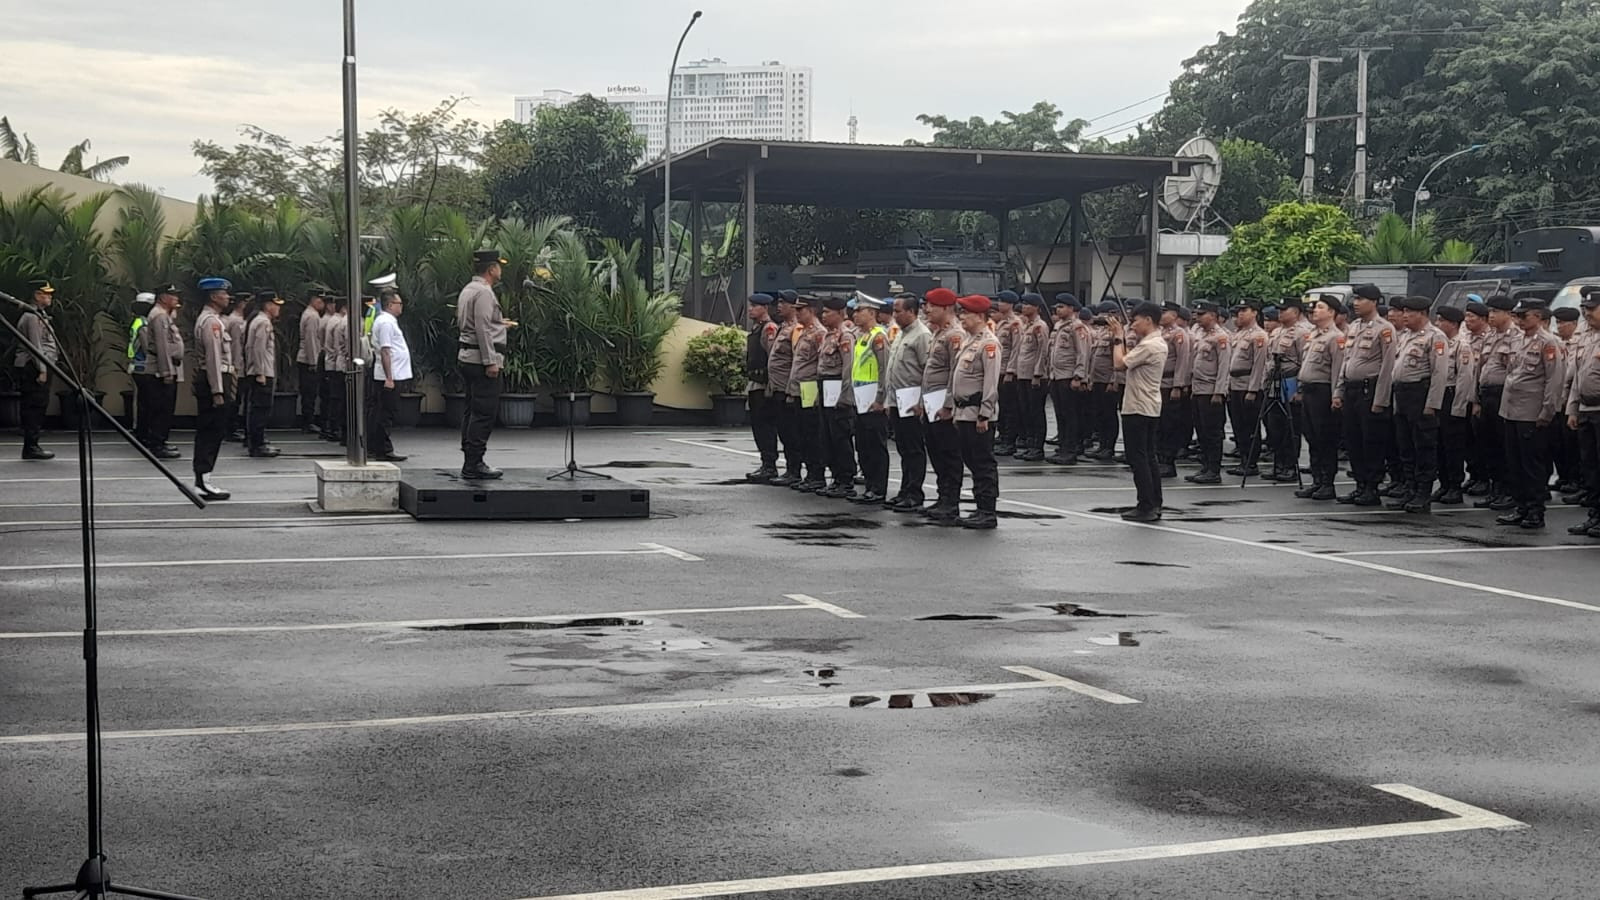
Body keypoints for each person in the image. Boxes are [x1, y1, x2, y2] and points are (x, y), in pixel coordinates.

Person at [1496, 299, 1566, 529]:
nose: (1519, 320)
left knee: (1531, 465)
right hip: (1511, 411)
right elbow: (1511, 373)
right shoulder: (1517, 339)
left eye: (1523, 316)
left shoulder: (1548, 343)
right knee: (1513, 463)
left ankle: (1535, 511)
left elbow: (1554, 380)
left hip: (1531, 413)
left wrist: (1547, 412)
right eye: (1517, 316)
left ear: (1537, 316)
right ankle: (1521, 506)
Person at [1385, 296, 1450, 513]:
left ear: (1422, 313)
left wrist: (1432, 404)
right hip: (1403, 395)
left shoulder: (1435, 337)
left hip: (1420, 395)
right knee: (1405, 447)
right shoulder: (1405, 336)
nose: (1404, 316)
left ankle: (1423, 493)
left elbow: (1439, 373)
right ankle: (1410, 489)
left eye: (1408, 312)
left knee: (1423, 447)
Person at [1333, 284, 1396, 506]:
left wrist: (1381, 400)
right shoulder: (1354, 327)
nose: (1355, 303)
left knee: (1372, 440)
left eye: (1361, 299)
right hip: (1351, 389)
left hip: (1370, 390)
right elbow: (1346, 361)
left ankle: (1372, 487)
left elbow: (1388, 367)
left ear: (1374, 301)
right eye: (1355, 299)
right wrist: (1339, 390)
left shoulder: (1385, 328)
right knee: (1353, 439)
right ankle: (1360, 484)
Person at [1109, 302, 1170, 522]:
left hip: (1138, 405)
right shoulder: (1153, 342)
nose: (1132, 325)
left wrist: (1117, 337)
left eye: (1135, 320)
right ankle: (1154, 502)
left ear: (1148, 320)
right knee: (1148, 455)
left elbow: (1119, 363)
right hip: (1148, 404)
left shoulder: (1151, 345)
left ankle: (1146, 504)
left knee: (1139, 457)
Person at [948, 294, 1003, 530]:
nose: (962, 318)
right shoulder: (970, 341)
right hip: (963, 412)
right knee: (971, 460)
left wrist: (985, 414)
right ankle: (980, 507)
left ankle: (987, 511)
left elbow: (990, 383)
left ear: (980, 316)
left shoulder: (989, 343)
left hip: (978, 414)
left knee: (983, 463)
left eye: (966, 313)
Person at [457, 249, 509, 479]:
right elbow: (482, 328)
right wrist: (491, 361)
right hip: (481, 359)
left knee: (472, 410)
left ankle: (470, 457)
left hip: (467, 356)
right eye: (499, 265)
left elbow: (479, 324)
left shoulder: (469, 289)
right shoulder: (485, 293)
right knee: (484, 413)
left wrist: (500, 325)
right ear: (491, 269)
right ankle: (474, 463)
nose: (501, 269)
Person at [1294, 295, 1346, 500]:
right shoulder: (1313, 335)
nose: (1315, 310)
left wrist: (1337, 395)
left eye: (1320, 307)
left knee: (1325, 439)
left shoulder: (1335, 337)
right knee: (1312, 437)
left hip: (1323, 393)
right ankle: (1316, 480)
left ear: (1331, 312)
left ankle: (1327, 483)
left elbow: (1337, 369)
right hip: (1308, 391)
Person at [1472, 294, 1520, 510]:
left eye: (1495, 312)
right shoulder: (1490, 337)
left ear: (1508, 314)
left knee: (1505, 446)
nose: (1490, 316)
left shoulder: (1516, 337)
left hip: (1504, 395)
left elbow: (1514, 373)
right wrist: (1477, 400)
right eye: (1489, 311)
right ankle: (1496, 489)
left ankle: (1510, 491)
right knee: (1489, 445)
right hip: (1487, 395)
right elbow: (1480, 369)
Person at [920, 288, 965, 521]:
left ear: (947, 308)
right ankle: (942, 496)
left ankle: (951, 501)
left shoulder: (954, 335)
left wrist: (948, 404)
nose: (927, 310)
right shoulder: (937, 333)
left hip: (942, 404)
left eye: (932, 306)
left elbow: (954, 373)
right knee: (935, 451)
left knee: (949, 452)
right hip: (930, 401)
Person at [885, 292, 932, 511]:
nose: (894, 315)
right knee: (903, 447)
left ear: (912, 312)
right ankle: (905, 489)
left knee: (914, 448)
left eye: (898, 310)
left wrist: (923, 401)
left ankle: (915, 492)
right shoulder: (901, 334)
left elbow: (927, 370)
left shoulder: (921, 335)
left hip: (912, 398)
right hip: (897, 398)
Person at [191, 277, 236, 500]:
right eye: (224, 293)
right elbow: (213, 359)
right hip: (213, 380)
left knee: (213, 431)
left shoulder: (215, 320)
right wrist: (217, 390)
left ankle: (204, 478)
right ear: (213, 296)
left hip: (215, 378)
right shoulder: (211, 322)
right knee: (211, 431)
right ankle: (203, 480)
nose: (227, 297)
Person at [848, 295, 891, 503]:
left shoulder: (878, 336)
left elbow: (884, 370)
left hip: (873, 397)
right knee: (863, 444)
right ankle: (869, 485)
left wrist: (881, 398)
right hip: (860, 396)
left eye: (859, 311)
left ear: (872, 313)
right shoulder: (860, 335)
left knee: (875, 445)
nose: (855, 315)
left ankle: (878, 488)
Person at [1564, 287, 1600, 537]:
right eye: (1585, 310)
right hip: (1587, 409)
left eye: (1592, 309)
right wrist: (1573, 410)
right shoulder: (1587, 337)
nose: (1587, 314)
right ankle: (1595, 515)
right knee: (1591, 467)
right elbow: (1577, 377)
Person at [1432, 305, 1476, 506]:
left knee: (1453, 445)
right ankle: (1444, 483)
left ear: (1453, 324)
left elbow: (1464, 378)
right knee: (1439, 444)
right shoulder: (1440, 343)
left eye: (1442, 321)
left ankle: (1455, 486)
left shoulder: (1462, 345)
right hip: (1439, 396)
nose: (1438, 324)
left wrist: (1459, 407)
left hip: (1452, 396)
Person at [1263, 298, 1310, 482]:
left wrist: (1299, 389)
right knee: (1275, 425)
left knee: (1291, 426)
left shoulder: (1302, 333)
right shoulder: (1276, 332)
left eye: (1285, 309)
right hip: (1274, 381)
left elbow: (1303, 362)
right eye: (1279, 310)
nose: (1281, 313)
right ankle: (1278, 464)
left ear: (1297, 312)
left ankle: (1290, 465)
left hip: (1290, 381)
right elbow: (1268, 359)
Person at [12, 279, 59, 459]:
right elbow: (35, 345)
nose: (49, 297)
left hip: (39, 365)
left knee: (38, 406)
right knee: (34, 406)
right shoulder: (31, 316)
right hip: (33, 367)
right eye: (46, 294)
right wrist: (42, 369)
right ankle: (31, 447)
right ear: (37, 295)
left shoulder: (40, 315)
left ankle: (33, 444)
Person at [787, 296, 829, 492]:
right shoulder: (804, 333)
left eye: (801, 310)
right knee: (801, 432)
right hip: (799, 387)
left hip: (810, 387)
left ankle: (816, 474)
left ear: (811, 310)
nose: (797, 313)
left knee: (812, 432)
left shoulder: (819, 333)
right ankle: (809, 473)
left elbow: (821, 364)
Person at [816, 296, 857, 498]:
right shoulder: (828, 336)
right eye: (823, 312)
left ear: (841, 313)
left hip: (838, 390)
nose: (823, 316)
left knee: (840, 436)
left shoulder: (845, 336)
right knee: (827, 436)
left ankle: (846, 479)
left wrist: (845, 396)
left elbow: (848, 368)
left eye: (827, 312)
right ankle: (836, 477)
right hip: (825, 388)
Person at [1186, 301, 1230, 484]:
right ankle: (1205, 466)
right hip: (1198, 389)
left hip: (1211, 390)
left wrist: (1219, 392)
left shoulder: (1221, 337)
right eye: (1197, 313)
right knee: (1201, 431)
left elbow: (1224, 366)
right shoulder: (1201, 334)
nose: (1197, 316)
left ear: (1212, 315)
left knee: (1212, 432)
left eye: (1202, 314)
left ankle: (1214, 469)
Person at [1225, 300, 1269, 477]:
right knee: (1238, 426)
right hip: (1235, 385)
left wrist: (1253, 389)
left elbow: (1259, 365)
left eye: (1244, 310)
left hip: (1248, 385)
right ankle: (1243, 459)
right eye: (1238, 311)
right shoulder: (1238, 334)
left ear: (1255, 313)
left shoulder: (1259, 336)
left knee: (1250, 426)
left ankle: (1251, 462)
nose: (1240, 314)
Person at [1045, 295, 1090, 466]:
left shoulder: (1077, 327)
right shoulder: (1058, 326)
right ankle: (1063, 446)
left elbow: (1082, 353)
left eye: (1062, 306)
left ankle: (1070, 450)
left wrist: (1078, 376)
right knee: (1060, 414)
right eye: (1057, 306)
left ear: (1072, 309)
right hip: (1056, 375)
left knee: (1071, 415)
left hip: (1068, 376)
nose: (1058, 309)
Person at [366, 289, 410, 462]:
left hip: (392, 374)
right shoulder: (386, 322)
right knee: (385, 413)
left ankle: (377, 446)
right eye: (399, 303)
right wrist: (389, 377)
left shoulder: (389, 321)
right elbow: (385, 351)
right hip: (389, 376)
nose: (401, 307)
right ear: (390, 305)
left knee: (385, 411)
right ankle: (383, 448)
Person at [743, 293, 783, 482]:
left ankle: (770, 465)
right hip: (755, 382)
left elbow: (773, 359)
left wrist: (770, 385)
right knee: (758, 425)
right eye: (751, 306)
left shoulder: (769, 328)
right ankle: (766, 463)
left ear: (765, 308)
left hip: (764, 384)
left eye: (755, 306)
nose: (751, 309)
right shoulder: (757, 328)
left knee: (765, 425)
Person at [766, 292, 802, 486]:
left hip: (788, 389)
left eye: (783, 303)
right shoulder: (783, 327)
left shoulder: (796, 329)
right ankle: (791, 469)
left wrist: (790, 389)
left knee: (791, 432)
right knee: (783, 431)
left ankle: (794, 470)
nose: (779, 306)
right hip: (777, 388)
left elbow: (797, 361)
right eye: (778, 302)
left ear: (793, 307)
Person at [243, 288, 284, 458]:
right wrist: (260, 372)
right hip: (262, 372)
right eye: (276, 305)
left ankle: (257, 441)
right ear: (268, 305)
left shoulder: (259, 320)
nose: (278, 308)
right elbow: (257, 349)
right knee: (260, 410)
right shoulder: (263, 322)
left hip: (260, 371)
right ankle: (257, 444)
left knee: (258, 409)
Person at [146, 284, 185, 459]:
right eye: (172, 295)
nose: (176, 298)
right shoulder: (160, 316)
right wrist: (166, 372)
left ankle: (160, 440)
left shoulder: (164, 315)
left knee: (164, 408)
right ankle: (158, 444)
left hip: (168, 366)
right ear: (163, 297)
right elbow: (162, 347)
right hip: (162, 370)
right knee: (163, 408)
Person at [1011, 293, 1050, 461]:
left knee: (1035, 412)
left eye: (1028, 304)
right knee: (1025, 411)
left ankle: (1037, 447)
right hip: (1023, 374)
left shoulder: (1040, 326)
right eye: (1023, 304)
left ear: (1036, 307)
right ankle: (1030, 444)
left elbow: (1043, 351)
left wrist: (1038, 373)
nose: (1024, 307)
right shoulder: (1027, 325)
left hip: (1034, 376)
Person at [1156, 301, 1193, 478]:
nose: (1161, 315)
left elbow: (1182, 361)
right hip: (1157, 383)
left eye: (1165, 312)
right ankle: (1159, 458)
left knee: (1169, 424)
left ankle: (1168, 462)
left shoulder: (1180, 334)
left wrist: (1178, 385)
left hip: (1170, 384)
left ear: (1174, 315)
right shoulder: (1158, 332)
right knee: (1158, 424)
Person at [1460, 299, 1494, 495]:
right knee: (1468, 440)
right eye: (1466, 316)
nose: (1467, 320)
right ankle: (1474, 474)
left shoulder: (1488, 339)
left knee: (1482, 439)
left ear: (1483, 319)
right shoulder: (1465, 339)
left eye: (1471, 317)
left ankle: (1484, 477)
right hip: (1464, 394)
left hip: (1480, 395)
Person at [1551, 306, 1583, 496]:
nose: (1560, 326)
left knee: (1575, 444)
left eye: (1563, 323)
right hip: (1561, 400)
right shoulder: (1562, 343)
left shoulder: (1579, 343)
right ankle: (1566, 476)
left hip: (1575, 400)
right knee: (1561, 442)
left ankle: (1578, 480)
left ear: (1573, 324)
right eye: (1558, 323)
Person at [1086, 302, 1122, 459]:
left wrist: (1114, 380)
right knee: (1099, 414)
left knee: (1109, 415)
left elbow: (1117, 360)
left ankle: (1109, 447)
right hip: (1097, 379)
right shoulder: (1101, 332)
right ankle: (1102, 444)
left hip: (1108, 380)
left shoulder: (1117, 334)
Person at [992, 290, 1022, 455]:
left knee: (1010, 408)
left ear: (1010, 304)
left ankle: (1010, 441)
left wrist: (1011, 370)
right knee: (1001, 406)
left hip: (1007, 370)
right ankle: (1002, 436)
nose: (999, 304)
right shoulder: (1002, 323)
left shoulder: (1015, 323)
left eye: (1002, 301)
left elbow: (1016, 349)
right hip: (999, 369)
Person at [128, 290, 158, 450]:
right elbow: (148, 348)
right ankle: (143, 434)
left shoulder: (138, 321)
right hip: (143, 367)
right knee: (146, 403)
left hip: (137, 366)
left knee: (142, 402)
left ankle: (141, 431)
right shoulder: (144, 324)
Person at [296, 287, 326, 433]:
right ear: (314, 300)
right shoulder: (313, 316)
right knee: (310, 392)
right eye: (321, 300)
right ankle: (308, 421)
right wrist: (314, 362)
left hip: (306, 358)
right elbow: (311, 340)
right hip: (308, 360)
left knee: (309, 392)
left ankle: (307, 420)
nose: (323, 303)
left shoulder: (310, 314)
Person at [322, 295, 350, 444]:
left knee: (334, 398)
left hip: (333, 361)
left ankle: (332, 428)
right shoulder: (339, 321)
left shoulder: (334, 320)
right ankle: (334, 428)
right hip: (336, 363)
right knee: (337, 399)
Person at [224, 289, 250, 442]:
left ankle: (232, 427)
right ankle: (230, 429)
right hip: (237, 365)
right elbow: (235, 346)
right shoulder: (235, 320)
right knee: (235, 399)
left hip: (240, 364)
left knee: (238, 398)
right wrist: (235, 366)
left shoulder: (240, 319)